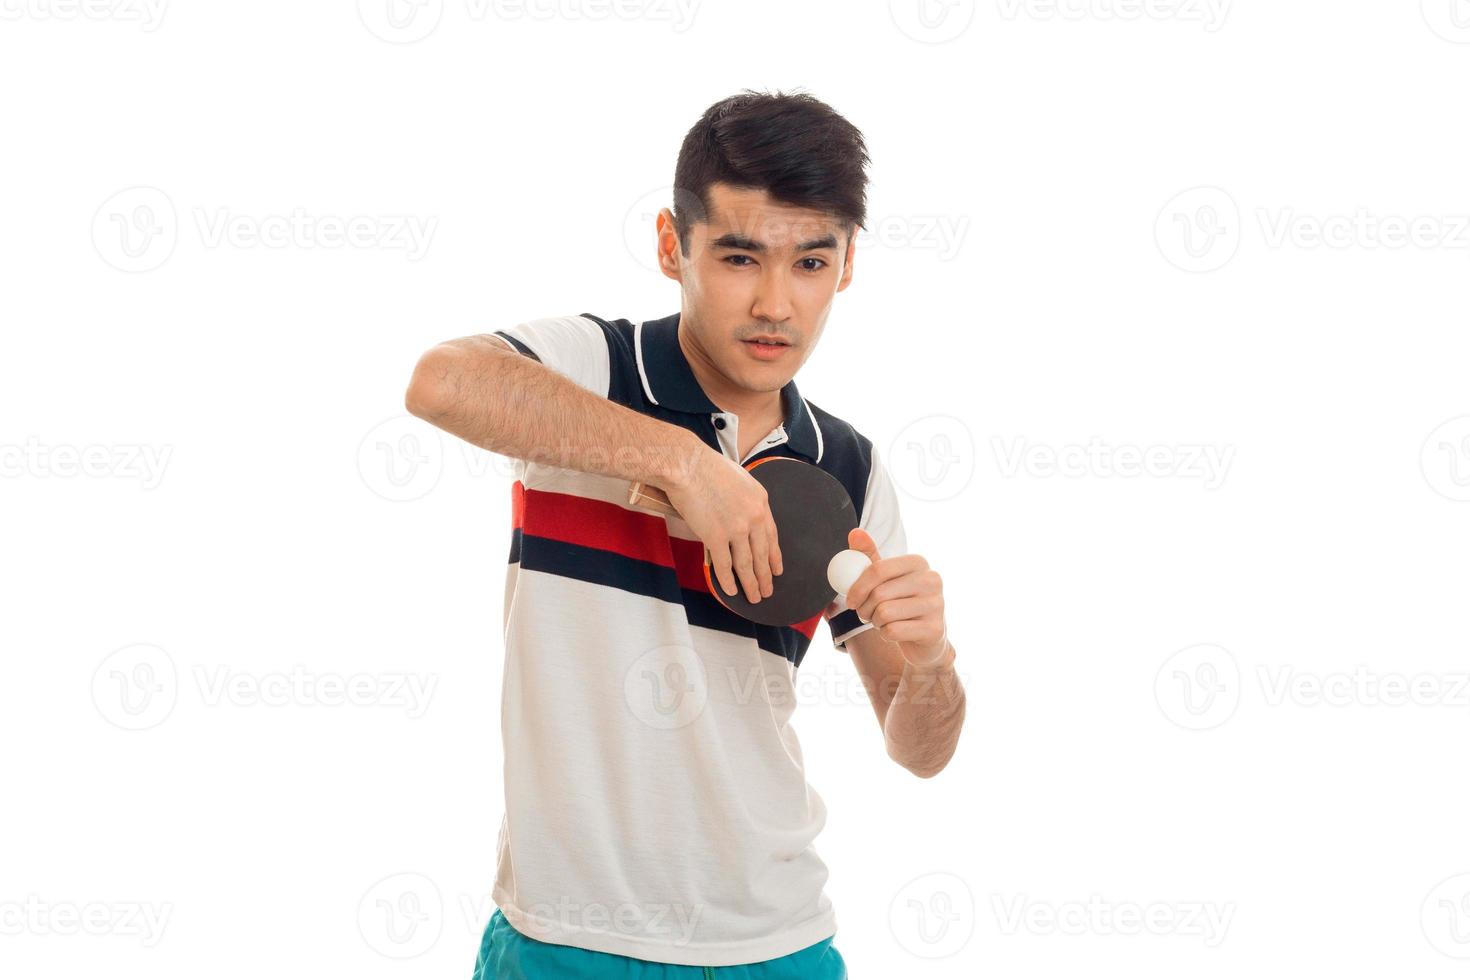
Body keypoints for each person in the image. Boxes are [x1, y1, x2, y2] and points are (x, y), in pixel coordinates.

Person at [404, 88, 966, 978]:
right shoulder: (594, 366)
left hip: (777, 944)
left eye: (811, 264)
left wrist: (932, 662)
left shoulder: (850, 471)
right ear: (673, 245)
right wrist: (684, 463)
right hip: (564, 939)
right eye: (741, 257)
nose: (777, 304)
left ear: (848, 264)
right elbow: (440, 382)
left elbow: (918, 749)